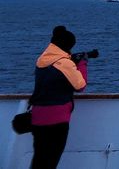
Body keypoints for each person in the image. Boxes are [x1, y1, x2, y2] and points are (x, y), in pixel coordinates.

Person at [13, 26, 86, 169]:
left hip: (38, 117)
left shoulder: (42, 60)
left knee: (39, 158)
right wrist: (82, 64)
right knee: (51, 161)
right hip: (57, 119)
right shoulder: (65, 63)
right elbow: (80, 86)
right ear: (67, 45)